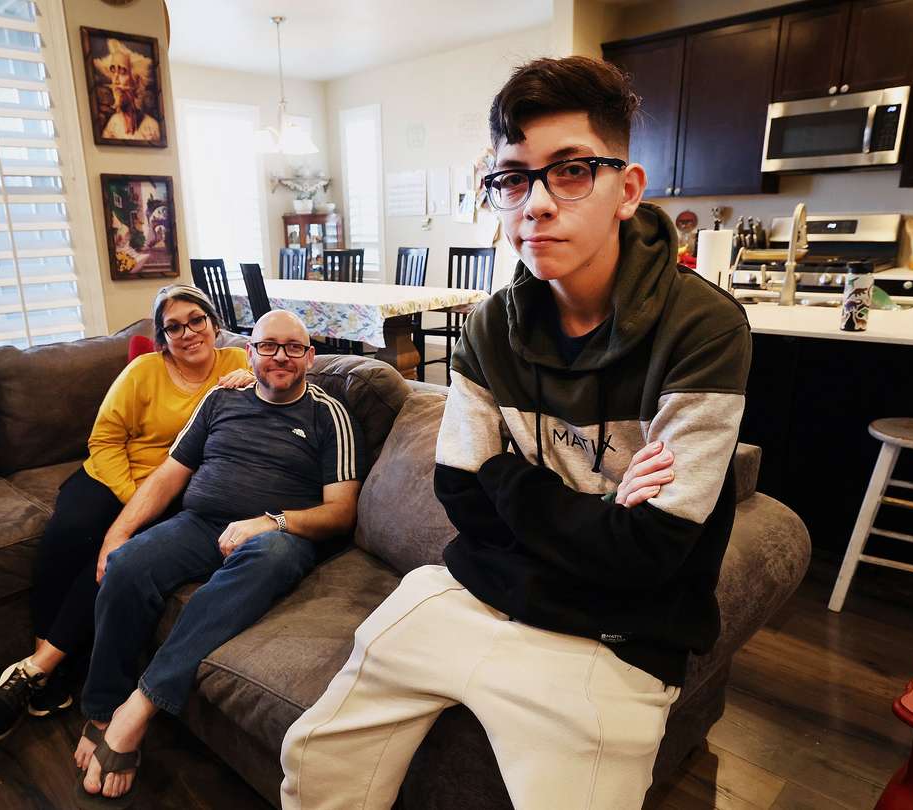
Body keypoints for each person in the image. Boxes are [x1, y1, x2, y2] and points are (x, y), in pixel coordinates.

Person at [279, 56, 751, 809]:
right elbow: (460, 490)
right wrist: (595, 511)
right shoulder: (490, 325)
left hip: (619, 635)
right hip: (476, 590)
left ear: (628, 189)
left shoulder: (703, 328)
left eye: (571, 171)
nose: (535, 204)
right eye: (512, 178)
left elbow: (652, 549)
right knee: (313, 763)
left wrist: (507, 479)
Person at [74, 310, 365, 807]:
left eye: (294, 348)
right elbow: (169, 474)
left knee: (270, 555)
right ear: (249, 353)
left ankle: (138, 708)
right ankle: (102, 710)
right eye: (268, 346)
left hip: (279, 535)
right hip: (200, 525)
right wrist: (116, 535)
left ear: (310, 357)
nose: (280, 357)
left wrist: (271, 521)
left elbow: (341, 512)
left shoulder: (328, 415)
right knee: (125, 567)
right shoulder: (219, 399)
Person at [0, 284, 253, 742]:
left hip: (170, 490)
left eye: (196, 320)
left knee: (113, 562)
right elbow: (103, 440)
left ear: (214, 324)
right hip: (112, 473)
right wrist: (131, 498)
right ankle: (46, 667)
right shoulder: (143, 371)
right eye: (174, 327)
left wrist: (250, 379)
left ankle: (39, 670)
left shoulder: (239, 362)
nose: (188, 333)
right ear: (162, 337)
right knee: (72, 532)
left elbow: (285, 378)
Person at [98, 39, 162, 144]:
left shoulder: (152, 127)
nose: (115, 80)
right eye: (113, 71)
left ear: (136, 80)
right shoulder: (113, 125)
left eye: (122, 71)